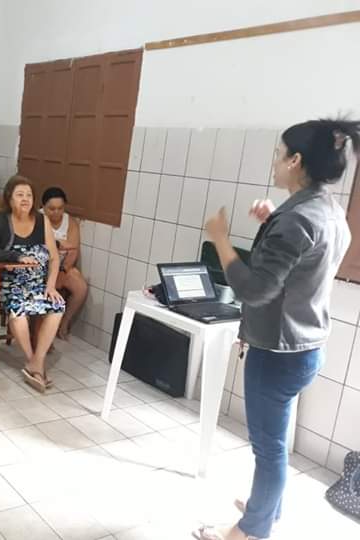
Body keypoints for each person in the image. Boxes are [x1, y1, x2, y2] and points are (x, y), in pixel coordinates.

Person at [196, 119, 356, 540]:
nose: (274, 161)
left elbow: (253, 289)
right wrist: (272, 220)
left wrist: (221, 239)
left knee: (268, 450)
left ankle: (251, 530)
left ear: (296, 160)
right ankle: (269, 509)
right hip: (307, 346)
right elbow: (305, 260)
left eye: (278, 154)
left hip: (277, 354)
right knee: (276, 442)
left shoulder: (296, 220)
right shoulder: (328, 210)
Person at [0, 175, 65, 393]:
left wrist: (51, 286)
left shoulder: (42, 220)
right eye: (20, 195)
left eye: (29, 195)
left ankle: (37, 361)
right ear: (9, 198)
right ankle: (32, 361)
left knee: (58, 305)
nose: (25, 199)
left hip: (38, 286)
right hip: (9, 285)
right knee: (18, 311)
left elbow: (54, 258)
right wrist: (16, 257)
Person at [41, 187, 87, 339]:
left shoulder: (70, 222)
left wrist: (63, 269)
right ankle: (40, 327)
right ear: (43, 207)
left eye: (60, 208)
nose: (56, 212)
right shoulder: (37, 219)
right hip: (40, 267)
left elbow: (73, 250)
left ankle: (64, 322)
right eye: (52, 209)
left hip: (62, 266)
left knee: (80, 287)